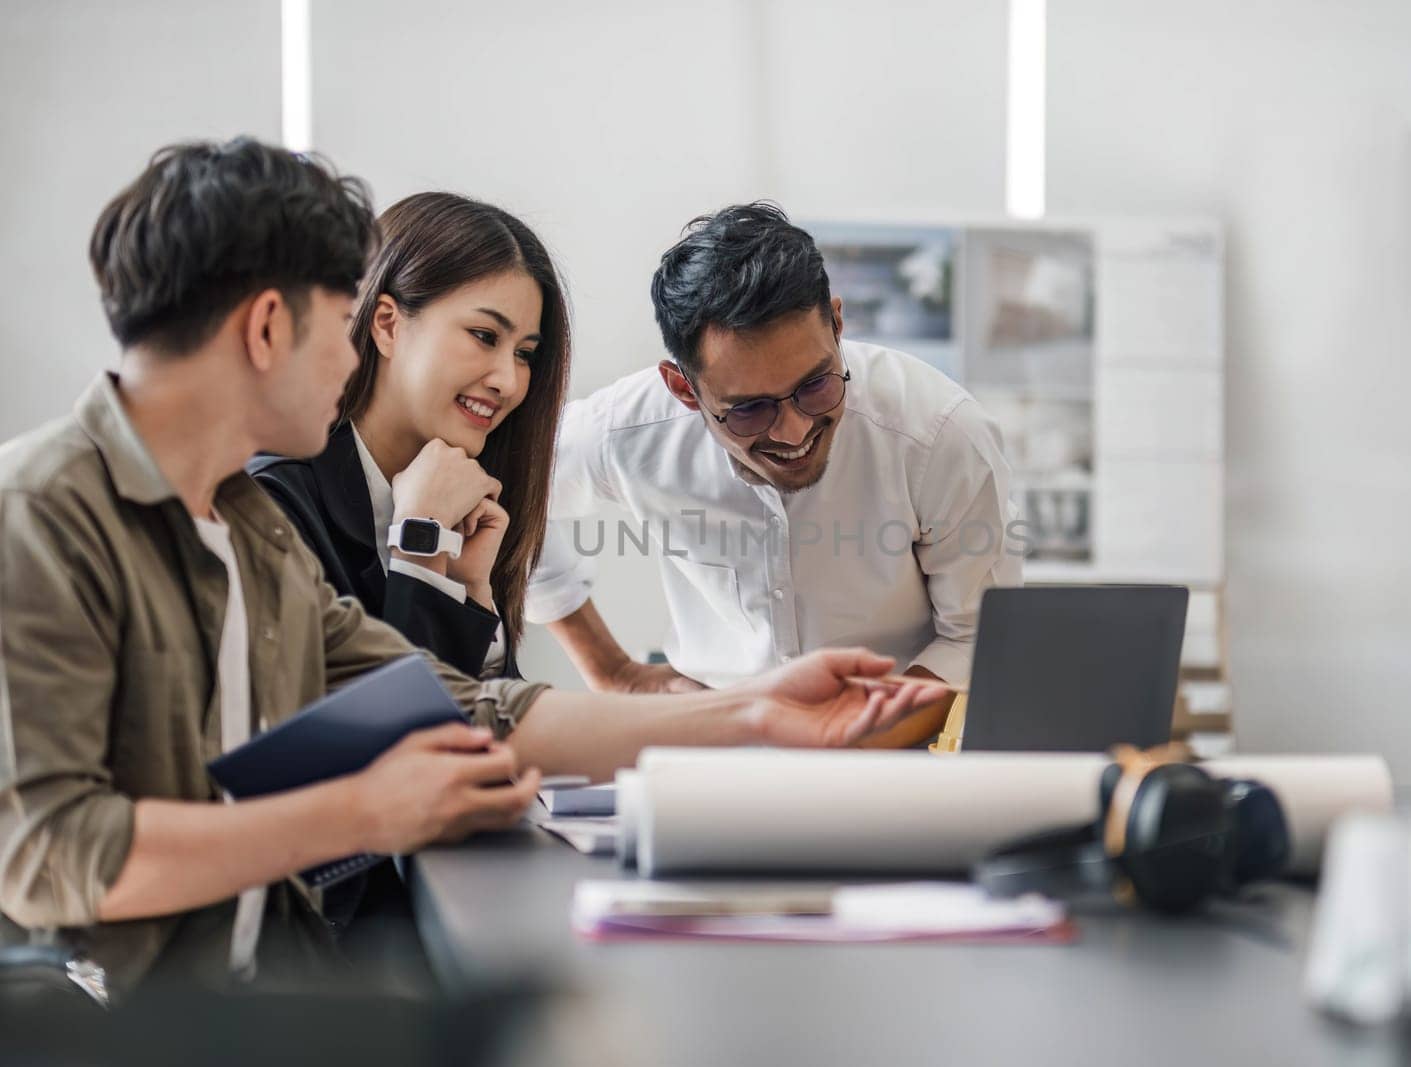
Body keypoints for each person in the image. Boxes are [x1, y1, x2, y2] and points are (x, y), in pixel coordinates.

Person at [0, 140, 943, 997]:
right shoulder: (40, 513)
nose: (350, 352)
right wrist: (360, 809)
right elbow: (49, 854)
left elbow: (456, 701)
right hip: (110, 1017)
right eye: (343, 321)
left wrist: (755, 710)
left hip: (257, 992)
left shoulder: (250, 534)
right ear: (265, 329)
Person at [528, 202, 1022, 747]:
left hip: (898, 752)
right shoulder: (629, 430)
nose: (792, 432)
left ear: (836, 324)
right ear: (684, 390)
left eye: (816, 386)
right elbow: (509, 491)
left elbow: (975, 638)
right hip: (713, 749)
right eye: (749, 409)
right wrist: (612, 672)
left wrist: (843, 751)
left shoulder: (941, 436)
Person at [251, 192, 567, 679]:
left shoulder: (474, 506)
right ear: (387, 324)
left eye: (525, 353)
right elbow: (371, 733)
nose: (508, 380)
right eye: (484, 336)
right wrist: (422, 545)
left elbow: (488, 731)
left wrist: (471, 594)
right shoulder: (274, 502)